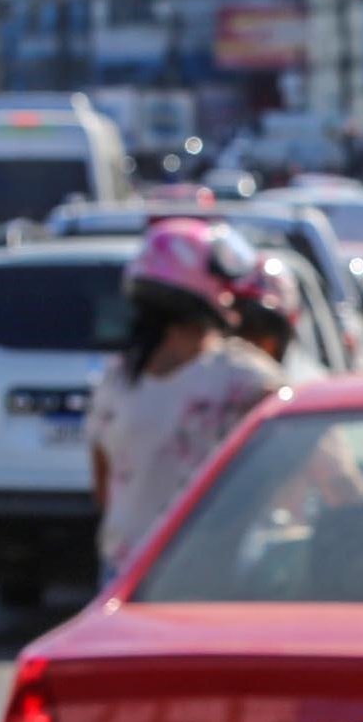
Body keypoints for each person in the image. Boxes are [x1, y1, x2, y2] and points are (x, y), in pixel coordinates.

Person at [89, 219, 283, 579]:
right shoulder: (244, 378)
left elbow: (103, 482)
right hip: (209, 576)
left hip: (125, 572)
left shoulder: (117, 380)